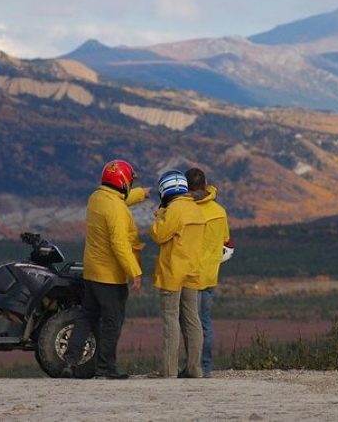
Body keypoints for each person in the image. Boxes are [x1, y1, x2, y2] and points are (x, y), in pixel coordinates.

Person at [64, 159, 147, 379]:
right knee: (112, 322)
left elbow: (118, 200)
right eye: (129, 180)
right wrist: (134, 271)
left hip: (91, 272)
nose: (130, 183)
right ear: (122, 181)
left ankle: (70, 360)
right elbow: (119, 244)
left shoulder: (96, 198)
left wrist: (141, 194)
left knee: (86, 317)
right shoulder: (116, 209)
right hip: (110, 277)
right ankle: (106, 368)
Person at [150, 170, 205, 378]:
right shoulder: (195, 209)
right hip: (193, 271)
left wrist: (159, 214)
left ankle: (169, 370)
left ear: (164, 190)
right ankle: (194, 368)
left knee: (170, 320)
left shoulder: (174, 210)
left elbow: (158, 234)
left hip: (173, 272)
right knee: (192, 319)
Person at [185, 168, 233, 378]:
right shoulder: (219, 211)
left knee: (189, 323)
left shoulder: (184, 210)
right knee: (204, 321)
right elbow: (225, 240)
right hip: (210, 273)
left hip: (188, 274)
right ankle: (205, 367)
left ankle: (192, 367)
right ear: (205, 185)